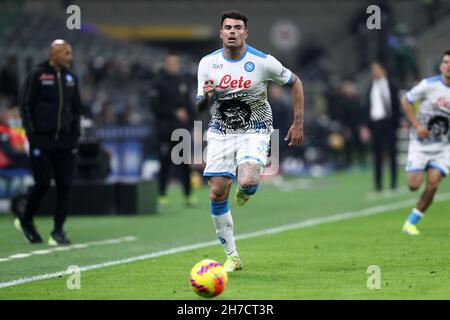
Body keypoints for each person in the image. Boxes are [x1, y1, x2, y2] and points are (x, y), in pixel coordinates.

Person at [196, 10, 304, 271]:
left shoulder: (263, 61)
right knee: (217, 190)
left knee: (247, 179)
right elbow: (200, 107)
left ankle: (247, 189)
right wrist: (207, 98)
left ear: (246, 33)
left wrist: (298, 122)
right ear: (221, 33)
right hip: (221, 131)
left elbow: (295, 82)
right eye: (227, 28)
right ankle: (232, 255)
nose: (232, 32)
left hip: (255, 128)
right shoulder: (207, 64)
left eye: (237, 28)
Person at [15, 39, 82, 245]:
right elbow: (26, 105)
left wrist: (74, 136)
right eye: (66, 53)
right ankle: (26, 220)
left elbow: (77, 109)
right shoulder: (38, 74)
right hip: (41, 140)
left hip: (65, 141)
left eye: (70, 53)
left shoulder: (71, 77)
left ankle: (58, 230)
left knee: (65, 184)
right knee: (43, 182)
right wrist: (32, 134)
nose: (70, 57)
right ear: (54, 54)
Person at [400, 50, 450, 235]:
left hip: (443, 147)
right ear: (441, 66)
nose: (448, 65)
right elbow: (405, 100)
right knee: (413, 185)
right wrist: (417, 125)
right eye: (445, 62)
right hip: (420, 144)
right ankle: (423, 167)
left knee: (434, 183)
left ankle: (411, 222)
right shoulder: (428, 85)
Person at [151, 52, 197, 208]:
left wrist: (191, 125)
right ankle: (162, 195)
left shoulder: (182, 81)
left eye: (175, 63)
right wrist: (173, 113)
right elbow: (155, 107)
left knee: (185, 164)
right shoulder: (158, 82)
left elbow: (189, 107)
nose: (173, 66)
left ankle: (188, 195)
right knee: (165, 163)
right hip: (165, 130)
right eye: (170, 63)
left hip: (181, 130)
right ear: (165, 64)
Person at [363, 62, 400, 192]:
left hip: (389, 122)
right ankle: (378, 184)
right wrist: (366, 126)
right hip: (375, 124)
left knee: (392, 153)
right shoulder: (370, 87)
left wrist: (397, 123)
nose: (375, 72)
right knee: (377, 155)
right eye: (373, 69)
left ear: (383, 70)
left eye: (377, 69)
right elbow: (367, 107)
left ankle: (393, 183)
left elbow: (396, 105)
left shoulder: (391, 85)